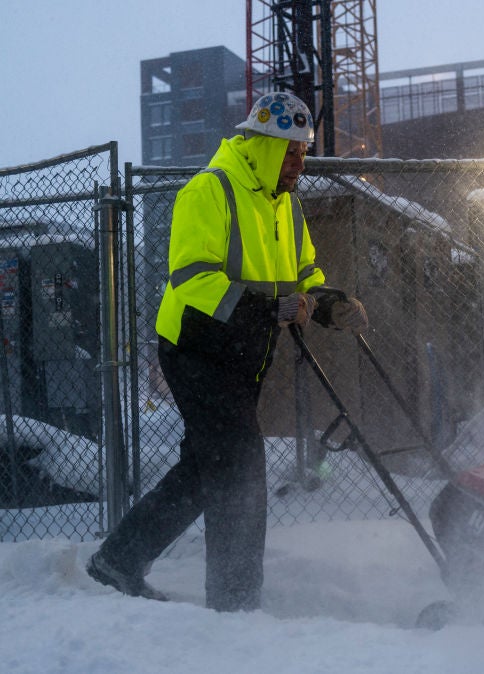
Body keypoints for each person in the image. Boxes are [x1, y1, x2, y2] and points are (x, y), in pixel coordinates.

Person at [87, 92, 368, 611]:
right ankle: (236, 600)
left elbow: (303, 277)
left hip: (245, 353)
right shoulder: (208, 190)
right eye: (289, 152)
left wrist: (329, 305)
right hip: (196, 348)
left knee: (204, 468)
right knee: (239, 464)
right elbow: (193, 280)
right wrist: (274, 310)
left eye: (303, 153)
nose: (298, 164)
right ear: (261, 145)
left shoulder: (286, 205)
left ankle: (118, 561)